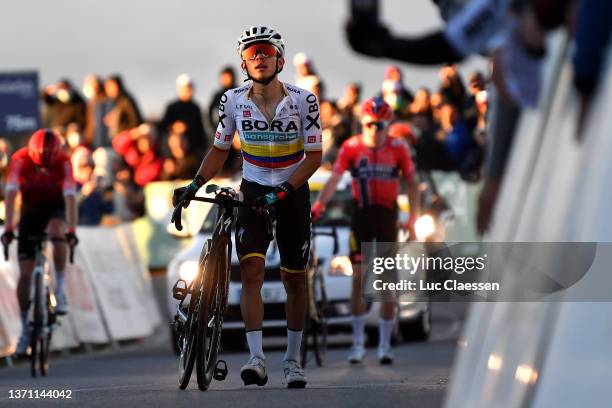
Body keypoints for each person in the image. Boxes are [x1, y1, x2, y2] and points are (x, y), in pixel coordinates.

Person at [173, 26, 322, 388]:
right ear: (243, 63)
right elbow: (220, 150)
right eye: (253, 54)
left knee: (294, 279)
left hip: (292, 190)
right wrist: (194, 185)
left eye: (266, 52)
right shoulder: (232, 101)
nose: (260, 58)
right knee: (251, 274)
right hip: (253, 189)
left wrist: (284, 191)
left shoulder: (305, 100)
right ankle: (257, 359)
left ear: (280, 60)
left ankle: (291, 360)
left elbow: (315, 156)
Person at [311, 97, 420, 365]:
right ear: (363, 122)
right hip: (361, 216)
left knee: (385, 282)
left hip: (386, 217)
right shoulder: (351, 147)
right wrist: (319, 206)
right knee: (358, 278)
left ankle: (384, 344)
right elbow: (335, 179)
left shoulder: (398, 147)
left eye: (380, 125)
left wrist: (413, 219)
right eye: (369, 124)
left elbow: (413, 184)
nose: (374, 129)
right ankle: (357, 344)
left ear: (388, 124)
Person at [1, 129, 79, 355]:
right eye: (39, 166)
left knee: (57, 231)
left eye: (48, 165)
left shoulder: (64, 160)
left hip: (55, 207)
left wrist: (71, 230)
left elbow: (71, 197)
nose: (44, 169)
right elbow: (11, 194)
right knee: (25, 276)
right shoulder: (20, 159)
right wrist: (8, 227)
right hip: (30, 210)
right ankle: (25, 328)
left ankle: (61, 288)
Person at [158, 74, 207, 154]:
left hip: (193, 150)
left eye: (190, 88)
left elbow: (200, 130)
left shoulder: (195, 108)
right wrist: (174, 127)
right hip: (173, 151)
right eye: (186, 88)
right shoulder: (172, 107)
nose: (188, 90)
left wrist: (186, 127)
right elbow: (162, 127)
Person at [82, 75, 113, 148]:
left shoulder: (103, 102)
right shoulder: (93, 102)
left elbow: (100, 126)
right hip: (94, 143)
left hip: (102, 145)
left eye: (89, 85)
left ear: (96, 86)